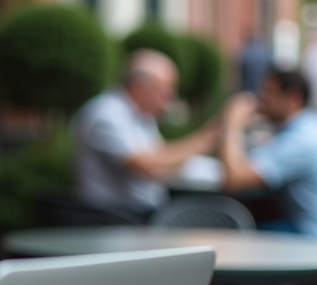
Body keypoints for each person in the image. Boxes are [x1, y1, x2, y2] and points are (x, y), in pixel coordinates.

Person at [72, 49, 219, 218]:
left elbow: (162, 156)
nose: (170, 100)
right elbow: (146, 165)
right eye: (165, 92)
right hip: (115, 218)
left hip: (140, 214)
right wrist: (201, 142)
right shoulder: (107, 114)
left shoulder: (141, 115)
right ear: (139, 87)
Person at [220, 67, 317, 237]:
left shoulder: (299, 141)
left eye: (269, 92)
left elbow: (234, 178)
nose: (262, 100)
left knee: (233, 232)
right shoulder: (306, 128)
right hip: (301, 226)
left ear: (293, 98)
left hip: (308, 235)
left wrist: (232, 122)